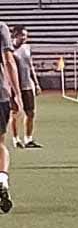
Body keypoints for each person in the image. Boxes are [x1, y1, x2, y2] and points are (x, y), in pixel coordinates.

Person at [0, 20, 22, 213]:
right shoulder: (1, 27)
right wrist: (16, 93)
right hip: (0, 95)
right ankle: (2, 179)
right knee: (0, 143)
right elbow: (8, 61)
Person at [9, 26, 42, 148]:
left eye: (26, 35)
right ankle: (16, 139)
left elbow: (30, 66)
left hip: (27, 85)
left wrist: (36, 83)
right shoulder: (9, 50)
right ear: (15, 35)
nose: (24, 38)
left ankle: (28, 139)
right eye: (22, 35)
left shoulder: (27, 48)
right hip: (14, 86)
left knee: (30, 113)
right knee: (15, 112)